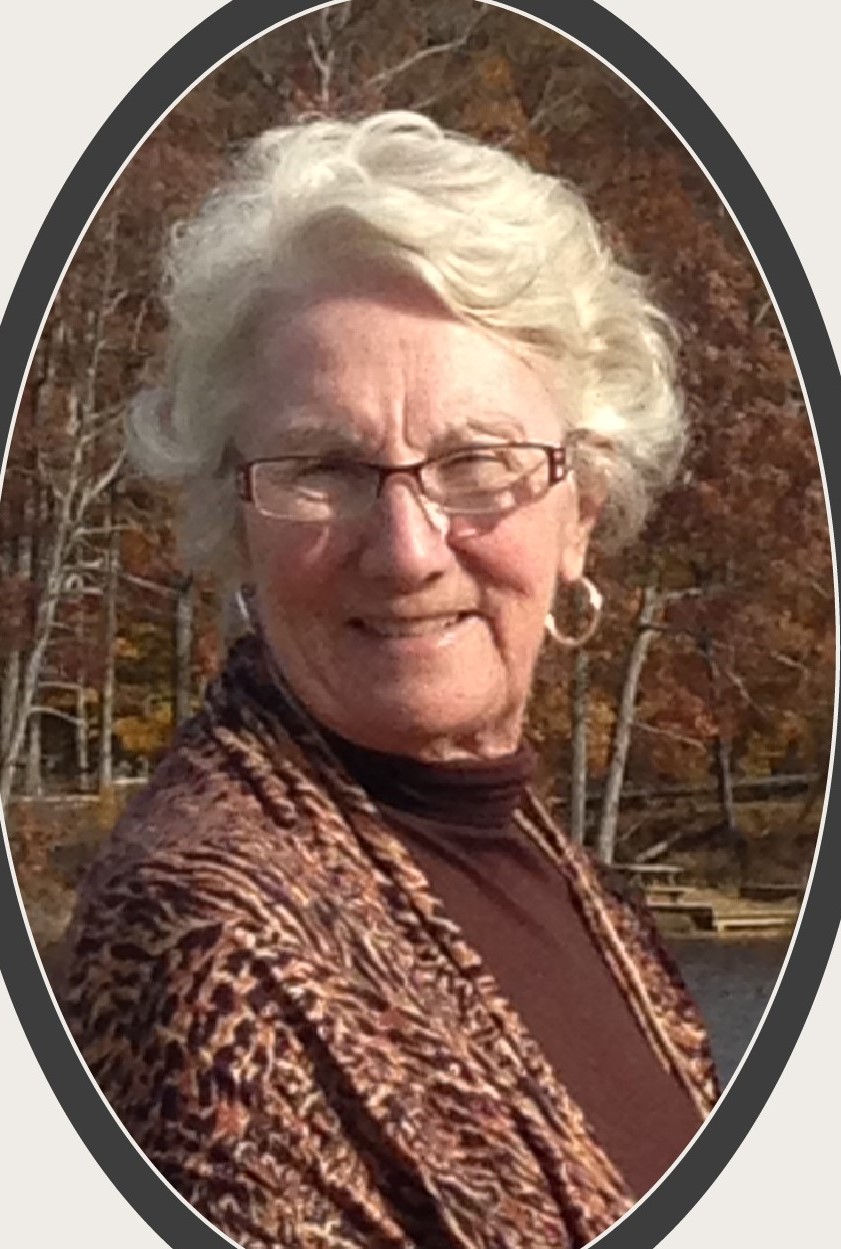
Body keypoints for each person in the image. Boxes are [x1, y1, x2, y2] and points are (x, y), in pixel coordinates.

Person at [60, 112, 717, 1249]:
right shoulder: (200, 943)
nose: (407, 550)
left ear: (583, 509)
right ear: (234, 517)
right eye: (326, 468)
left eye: (476, 463)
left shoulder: (539, 863)